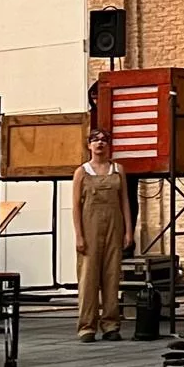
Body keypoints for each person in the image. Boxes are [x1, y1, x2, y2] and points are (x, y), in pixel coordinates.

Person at [73, 129, 132, 343]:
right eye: (95, 140)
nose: (100, 144)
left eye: (104, 140)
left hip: (114, 228)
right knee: (88, 278)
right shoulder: (82, 172)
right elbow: (76, 207)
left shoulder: (118, 170)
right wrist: (79, 236)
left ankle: (110, 325)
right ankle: (87, 326)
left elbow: (125, 201)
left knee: (111, 276)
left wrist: (128, 231)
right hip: (90, 227)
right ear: (89, 145)